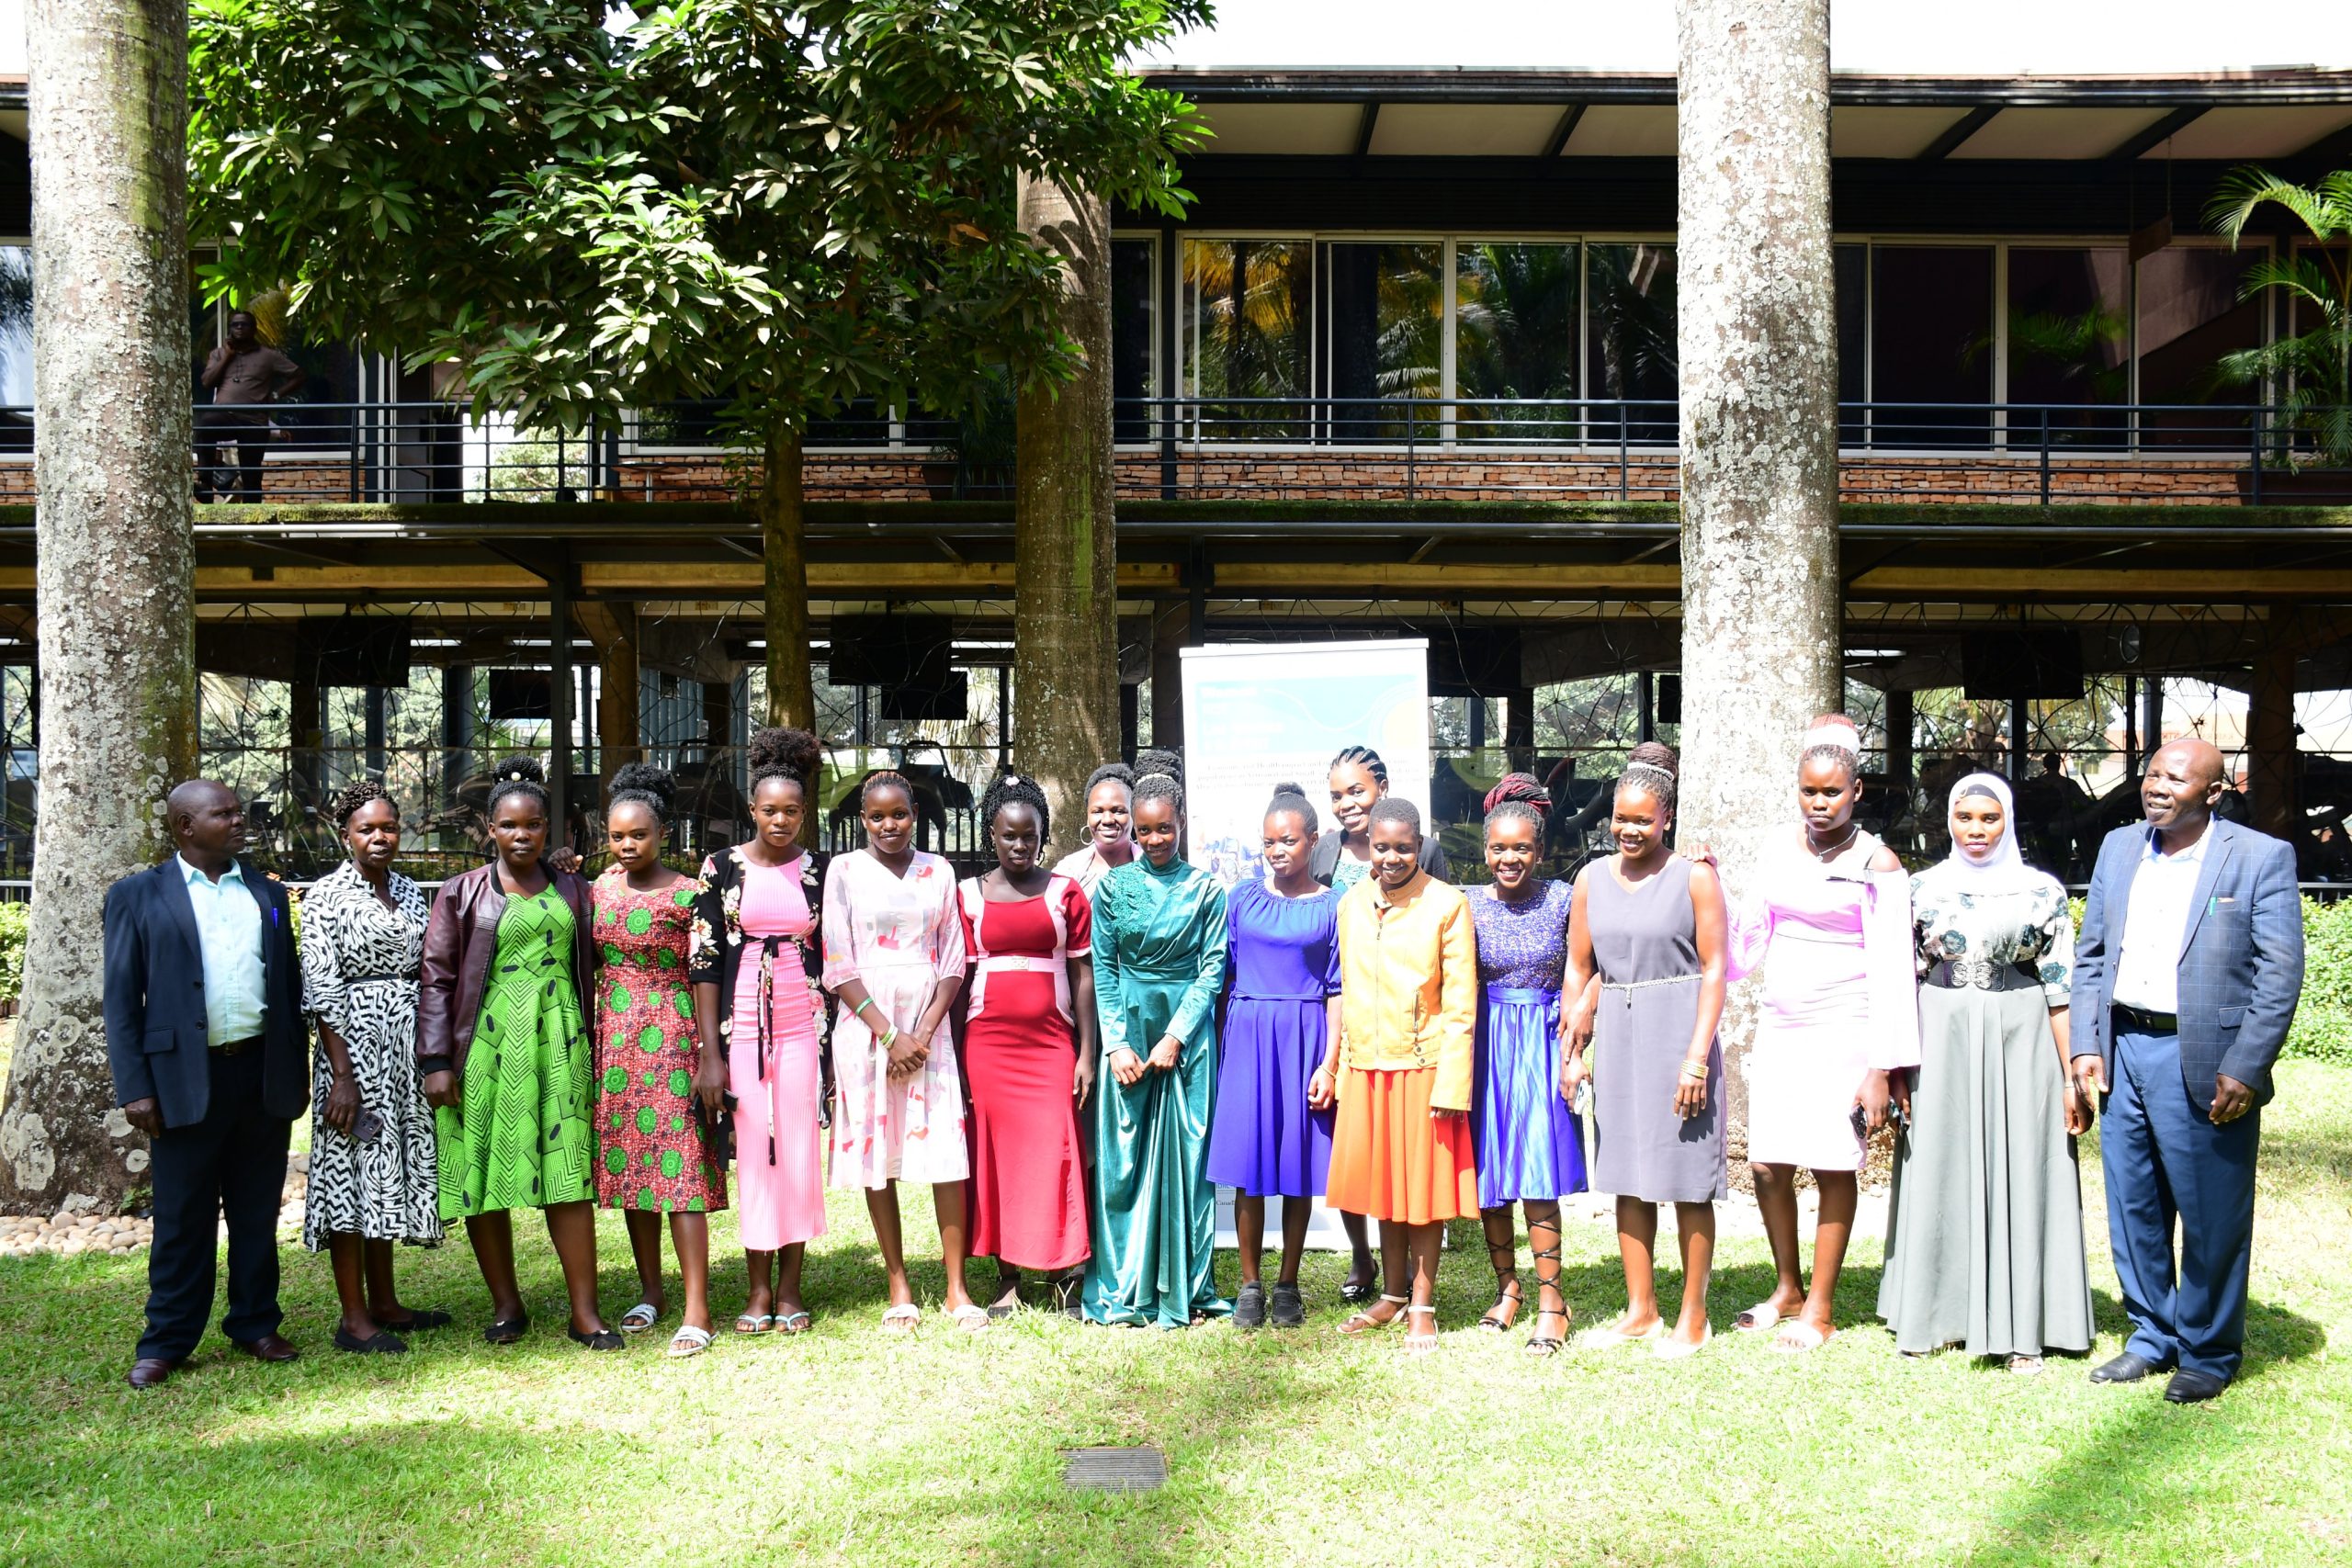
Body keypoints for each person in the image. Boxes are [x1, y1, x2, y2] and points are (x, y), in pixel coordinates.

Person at [2070, 738, 2303, 1403]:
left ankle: (2207, 1349)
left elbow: (2279, 973)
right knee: (2133, 1201)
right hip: (2126, 1052)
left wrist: (2247, 1065)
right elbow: (2092, 956)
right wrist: (2088, 1040)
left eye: (2176, 778)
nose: (2157, 786)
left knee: (2211, 1213)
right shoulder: (2120, 847)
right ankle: (2151, 1334)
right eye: (2151, 774)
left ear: (2213, 790)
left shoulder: (2259, 856)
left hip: (2203, 1058)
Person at [1879, 772, 2092, 1373]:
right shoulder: (1920, 888)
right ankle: (1934, 1313)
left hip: (2020, 1034)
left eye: (1989, 818)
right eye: (1966, 818)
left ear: (2008, 821)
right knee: (1940, 1159)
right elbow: (1903, 981)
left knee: (2022, 1164)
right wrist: (1897, 1067)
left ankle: (2026, 1324)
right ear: (1949, 820)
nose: (1976, 830)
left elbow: (2060, 987)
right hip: (1939, 1033)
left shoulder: (2041, 891)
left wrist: (2073, 1074)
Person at [105, 781, 307, 1388]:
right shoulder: (137, 895)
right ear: (186, 827)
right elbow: (120, 999)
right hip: (180, 1081)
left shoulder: (268, 894)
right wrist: (135, 1085)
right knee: (182, 1216)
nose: (237, 819)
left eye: (237, 810)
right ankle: (166, 1338)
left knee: (255, 1211)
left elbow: (287, 978)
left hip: (260, 1076)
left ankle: (254, 1322)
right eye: (223, 813)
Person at [1727, 715, 1919, 1354]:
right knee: (1765, 1163)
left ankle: (1822, 1306)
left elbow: (1896, 970)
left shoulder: (1879, 862)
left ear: (1856, 791)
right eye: (1808, 791)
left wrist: (1881, 1067)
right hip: (1783, 1027)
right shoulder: (1780, 849)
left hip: (1848, 1028)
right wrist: (1702, 895)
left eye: (1831, 792)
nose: (1818, 802)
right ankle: (1785, 1286)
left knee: (1835, 1164)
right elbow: (1747, 936)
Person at [419, 758, 618, 1350]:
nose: (522, 835)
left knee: (567, 1174)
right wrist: (436, 1062)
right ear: (490, 829)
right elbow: (436, 978)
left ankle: (585, 1311)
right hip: (485, 1045)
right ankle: (508, 1305)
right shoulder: (463, 893)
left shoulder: (574, 889)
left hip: (559, 1042)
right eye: (509, 825)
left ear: (548, 831)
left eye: (533, 825)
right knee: (484, 1173)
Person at [1564, 744, 1730, 1359]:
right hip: (1620, 1037)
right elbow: (1579, 972)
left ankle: (1693, 1314)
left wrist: (1696, 1057)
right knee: (1628, 1178)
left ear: (1666, 818)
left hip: (1678, 1029)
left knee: (1686, 1179)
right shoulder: (1589, 881)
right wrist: (1572, 1052)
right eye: (1620, 817)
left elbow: (1716, 970)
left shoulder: (1694, 877)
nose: (1630, 829)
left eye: (1643, 819)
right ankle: (1642, 1309)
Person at [1317, 796, 1478, 1356]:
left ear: (1420, 845)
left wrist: (1453, 1083)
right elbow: (1345, 991)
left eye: (1403, 848)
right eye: (1382, 847)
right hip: (1367, 1067)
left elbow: (1460, 1005)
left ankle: (1424, 1304)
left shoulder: (1447, 904)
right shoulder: (1353, 902)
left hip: (1423, 1067)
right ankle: (1390, 1295)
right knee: (1383, 1191)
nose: (1391, 858)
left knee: (1423, 1194)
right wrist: (1337, 1063)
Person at [822, 769, 976, 1330]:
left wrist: (925, 1033)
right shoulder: (843, 870)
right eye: (877, 816)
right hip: (867, 1029)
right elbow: (837, 963)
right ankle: (899, 1284)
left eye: (900, 814)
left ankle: (957, 1288)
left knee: (946, 1158)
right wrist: (889, 1034)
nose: (890, 825)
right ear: (862, 820)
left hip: (928, 1034)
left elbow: (953, 959)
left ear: (916, 814)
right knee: (877, 1159)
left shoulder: (939, 870)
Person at [1082, 750, 1231, 1328]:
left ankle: (1187, 1286)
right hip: (1128, 1028)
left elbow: (1213, 966)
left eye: (1163, 828)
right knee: (1123, 1158)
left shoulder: (1206, 889)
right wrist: (1117, 1043)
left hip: (1186, 1039)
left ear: (1182, 823)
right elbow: (1104, 967)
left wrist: (1175, 1036)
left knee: (1189, 1160)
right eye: (1143, 830)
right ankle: (1125, 1282)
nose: (1153, 839)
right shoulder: (1113, 889)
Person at [689, 728, 830, 1337]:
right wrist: (711, 1055)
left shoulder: (820, 870)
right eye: (770, 809)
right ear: (752, 809)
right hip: (741, 1027)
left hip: (802, 1024)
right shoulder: (721, 868)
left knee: (796, 1150)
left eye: (792, 810)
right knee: (755, 1155)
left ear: (805, 812)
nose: (781, 819)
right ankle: (757, 1287)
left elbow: (833, 952)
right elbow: (702, 959)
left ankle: (792, 1287)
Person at [299, 782, 446, 1356]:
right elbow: (321, 988)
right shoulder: (325, 897)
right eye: (367, 829)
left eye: (388, 827)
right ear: (346, 835)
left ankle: (385, 1302)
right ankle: (353, 1317)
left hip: (405, 1047)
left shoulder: (411, 891)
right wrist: (341, 1076)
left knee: (386, 1169)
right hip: (353, 1050)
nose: (380, 837)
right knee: (348, 1174)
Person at [1310, 744, 1451, 1299]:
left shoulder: (1427, 851)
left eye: (1357, 791)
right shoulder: (1323, 850)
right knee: (1351, 1145)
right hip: (1343, 1010)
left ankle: (1407, 1274)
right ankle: (1361, 1256)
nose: (1347, 804)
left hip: (1405, 1027)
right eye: (1337, 795)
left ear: (1383, 788)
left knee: (1398, 1151)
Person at [594, 763, 723, 1359]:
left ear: (662, 833)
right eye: (618, 835)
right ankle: (652, 1289)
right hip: (616, 1040)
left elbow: (705, 972)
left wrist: (707, 1052)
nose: (627, 845)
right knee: (632, 1169)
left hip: (672, 1037)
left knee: (681, 1171)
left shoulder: (691, 893)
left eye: (638, 835)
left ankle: (698, 1306)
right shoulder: (600, 886)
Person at [957, 773, 1096, 1317]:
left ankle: (1063, 1272)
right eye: (1008, 836)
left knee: (1056, 1152)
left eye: (1029, 836)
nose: (1019, 846)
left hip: (1052, 1044)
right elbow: (962, 978)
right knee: (996, 1156)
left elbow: (1083, 975)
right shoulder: (969, 894)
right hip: (989, 1045)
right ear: (991, 834)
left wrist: (1086, 1052)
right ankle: (1007, 1276)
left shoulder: (1066, 892)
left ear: (1045, 835)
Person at [1205, 783, 1342, 1331]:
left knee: (1296, 1167)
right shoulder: (1240, 898)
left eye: (1288, 841)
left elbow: (1337, 990)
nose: (1277, 850)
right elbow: (1224, 973)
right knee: (1249, 1170)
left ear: (1311, 841)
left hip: (1305, 1034)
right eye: (1268, 842)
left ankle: (1288, 1284)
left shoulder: (1334, 905)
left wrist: (1329, 1062)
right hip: (1249, 1035)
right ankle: (1249, 1285)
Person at [1465, 773, 1585, 1355]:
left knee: (1536, 1174)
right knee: (1490, 1178)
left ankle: (1552, 1302)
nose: (1509, 858)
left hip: (1539, 1041)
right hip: (1485, 1044)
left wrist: (1574, 1044)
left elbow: (1586, 970)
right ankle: (1507, 1289)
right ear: (1485, 850)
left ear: (1539, 850)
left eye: (1521, 848)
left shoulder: (1564, 898)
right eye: (1498, 848)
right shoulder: (1465, 904)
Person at [195, 309, 304, 503]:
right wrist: (228, 356)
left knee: (251, 472)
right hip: (225, 415)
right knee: (205, 426)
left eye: (243, 324)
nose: (239, 328)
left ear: (253, 329)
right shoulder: (219, 354)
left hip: (254, 420)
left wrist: (277, 394)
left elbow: (298, 375)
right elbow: (207, 382)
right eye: (235, 325)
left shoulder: (268, 356)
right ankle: (204, 483)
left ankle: (254, 516)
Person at [1051, 761, 1137, 897]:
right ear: (1087, 816)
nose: (1107, 820)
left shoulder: (1153, 870)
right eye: (1097, 811)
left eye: (1119, 811)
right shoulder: (1067, 871)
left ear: (1134, 815)